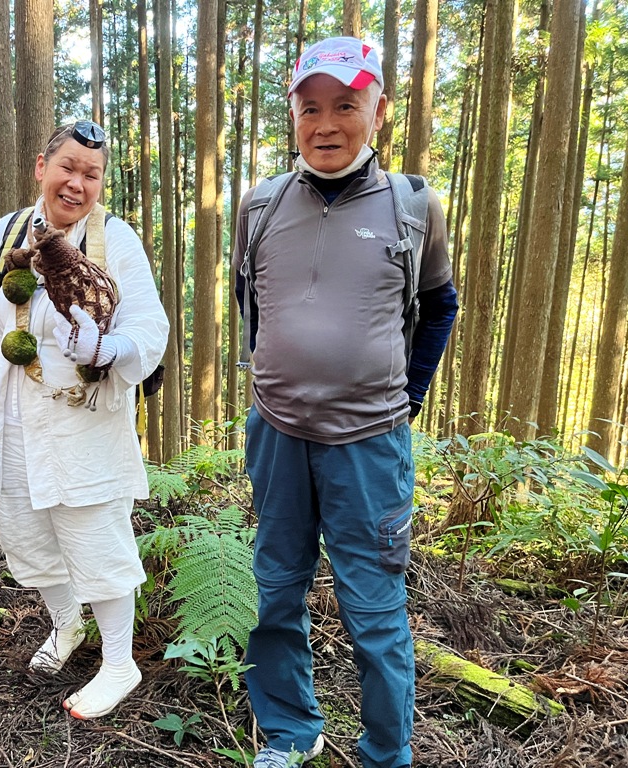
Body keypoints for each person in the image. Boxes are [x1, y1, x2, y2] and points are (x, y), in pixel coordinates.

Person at [232, 38, 458, 768]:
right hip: (277, 434)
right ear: (294, 114)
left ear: (378, 111)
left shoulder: (414, 205)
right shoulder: (260, 205)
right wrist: (278, 376)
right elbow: (251, 304)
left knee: (374, 609)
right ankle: (291, 731)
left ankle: (387, 753)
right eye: (310, 108)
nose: (326, 125)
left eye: (345, 106)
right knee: (274, 591)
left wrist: (406, 397)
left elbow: (439, 305)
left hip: (369, 444)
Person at [0, 121, 168, 719]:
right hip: (19, 411)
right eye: (67, 167)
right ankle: (67, 624)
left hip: (84, 418)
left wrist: (106, 349)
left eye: (91, 174)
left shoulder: (113, 239)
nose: (77, 183)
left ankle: (119, 663)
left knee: (95, 535)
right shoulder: (9, 232)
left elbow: (149, 325)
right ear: (42, 167)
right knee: (29, 532)